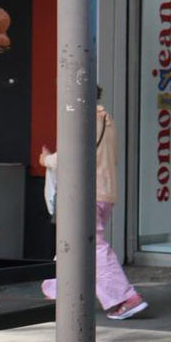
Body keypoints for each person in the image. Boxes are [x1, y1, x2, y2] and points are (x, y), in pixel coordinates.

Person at [41, 87, 148, 320]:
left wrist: (46, 160)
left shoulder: (85, 120)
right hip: (105, 192)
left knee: (93, 246)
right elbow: (112, 157)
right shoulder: (107, 120)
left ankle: (125, 298)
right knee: (76, 243)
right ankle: (61, 289)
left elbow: (70, 155)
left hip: (85, 193)